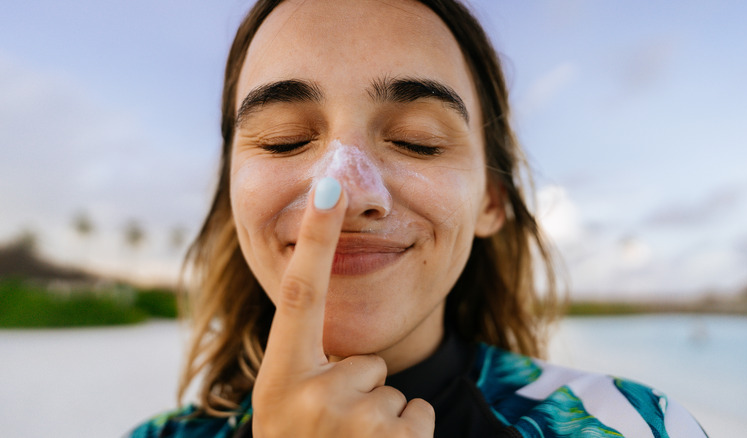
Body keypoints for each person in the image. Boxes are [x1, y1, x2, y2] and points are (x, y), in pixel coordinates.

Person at [130, 0, 708, 437]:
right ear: (233, 192)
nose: (349, 191)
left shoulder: (638, 425)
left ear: (491, 200)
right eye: (284, 141)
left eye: (418, 142)